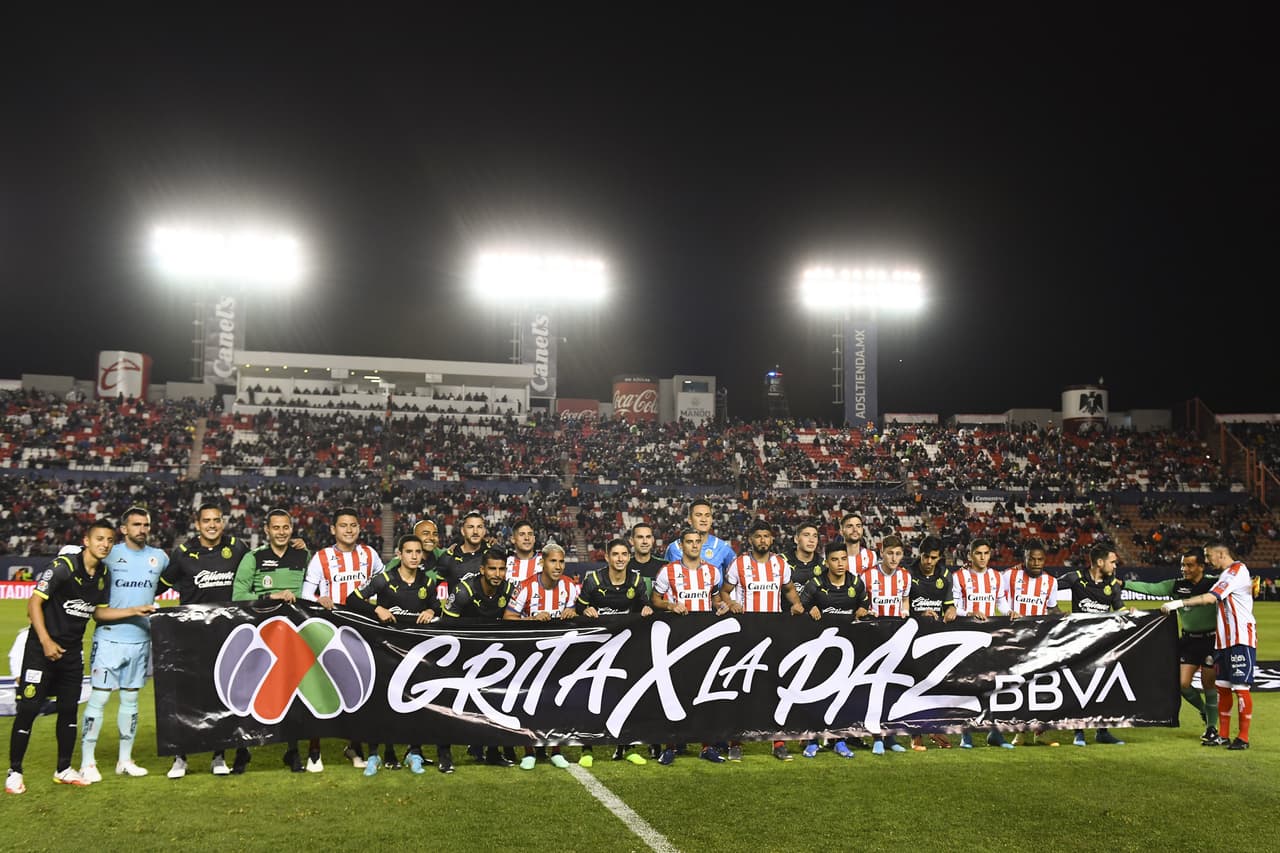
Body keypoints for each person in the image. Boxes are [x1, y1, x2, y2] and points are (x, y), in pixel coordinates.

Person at [6, 520, 155, 795]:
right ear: (86, 541)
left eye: (109, 540)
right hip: (41, 651)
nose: (105, 544)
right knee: (28, 709)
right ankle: (14, 772)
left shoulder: (103, 574)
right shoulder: (63, 566)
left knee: (68, 710)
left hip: (71, 653)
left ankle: (63, 769)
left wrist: (134, 610)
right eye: (99, 539)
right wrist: (46, 641)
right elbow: (33, 604)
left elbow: (98, 613)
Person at [159, 501, 252, 778]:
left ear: (222, 522)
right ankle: (180, 757)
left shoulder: (237, 548)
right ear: (197, 524)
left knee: (220, 696)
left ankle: (218, 756)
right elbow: (160, 585)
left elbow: (259, 569)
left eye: (216, 520)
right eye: (206, 521)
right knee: (187, 697)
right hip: (190, 635)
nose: (212, 525)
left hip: (226, 635)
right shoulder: (183, 553)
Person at [80, 506, 168, 782]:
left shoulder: (160, 557)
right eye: (136, 524)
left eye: (146, 524)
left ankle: (125, 760)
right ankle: (87, 762)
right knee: (99, 698)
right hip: (109, 639)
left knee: (130, 701)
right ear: (124, 528)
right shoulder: (108, 554)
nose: (142, 529)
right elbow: (95, 610)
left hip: (141, 641)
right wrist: (133, 610)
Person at [344, 535, 439, 774]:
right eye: (409, 552)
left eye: (418, 552)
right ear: (399, 554)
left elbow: (437, 607)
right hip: (385, 649)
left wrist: (430, 610)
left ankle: (414, 752)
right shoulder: (384, 579)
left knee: (415, 700)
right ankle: (376, 753)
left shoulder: (428, 583)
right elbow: (352, 599)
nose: (414, 556)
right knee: (381, 702)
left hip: (414, 651)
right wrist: (376, 608)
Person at [301, 506, 383, 772]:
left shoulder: (369, 554)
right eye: (343, 525)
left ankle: (354, 747)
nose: (349, 530)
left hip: (361, 630)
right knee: (322, 688)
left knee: (358, 688)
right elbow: (305, 594)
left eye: (353, 525)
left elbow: (383, 584)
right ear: (333, 529)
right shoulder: (321, 557)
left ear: (359, 528)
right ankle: (314, 750)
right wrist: (319, 599)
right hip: (329, 631)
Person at [231, 508, 311, 772]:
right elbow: (238, 595)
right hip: (259, 633)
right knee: (249, 691)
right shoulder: (253, 557)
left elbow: (314, 588)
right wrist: (269, 598)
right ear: (266, 530)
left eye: (286, 527)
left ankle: (292, 751)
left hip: (293, 633)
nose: (281, 532)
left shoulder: (303, 555)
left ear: (292, 529)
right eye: (276, 527)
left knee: (293, 691)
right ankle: (242, 751)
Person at [719, 519, 803, 761]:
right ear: (751, 540)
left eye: (766, 536)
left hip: (774, 634)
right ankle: (736, 742)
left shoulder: (780, 564)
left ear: (772, 539)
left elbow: (789, 589)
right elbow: (724, 591)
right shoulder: (739, 564)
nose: (763, 540)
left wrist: (797, 604)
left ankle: (778, 742)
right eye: (758, 536)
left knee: (776, 688)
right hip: (746, 634)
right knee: (741, 689)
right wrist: (731, 603)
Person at [1162, 540, 1258, 750]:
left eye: (1208, 555)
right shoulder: (1225, 575)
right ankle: (1222, 735)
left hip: (1240, 639)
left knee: (1241, 689)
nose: (1206, 560)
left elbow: (1210, 598)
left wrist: (1180, 603)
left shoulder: (1236, 571)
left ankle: (1243, 738)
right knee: (1222, 688)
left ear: (1221, 554)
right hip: (1223, 642)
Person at [651, 527, 730, 765]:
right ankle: (670, 746)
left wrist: (721, 606)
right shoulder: (668, 571)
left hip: (704, 639)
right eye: (689, 541)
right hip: (676, 640)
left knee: (705, 693)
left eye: (697, 542)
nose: (694, 545)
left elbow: (715, 599)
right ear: (682, 545)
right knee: (674, 693)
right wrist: (670, 606)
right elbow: (655, 600)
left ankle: (707, 746)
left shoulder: (712, 572)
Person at [1126, 548, 1219, 743]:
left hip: (1211, 640)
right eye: (1183, 565)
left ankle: (1212, 728)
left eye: (1189, 565)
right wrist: (1123, 583)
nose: (1184, 569)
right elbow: (1151, 588)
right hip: (1189, 640)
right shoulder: (1177, 585)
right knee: (1182, 684)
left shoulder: (1214, 583)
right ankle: (1204, 710)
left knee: (1208, 684)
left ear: (1201, 566)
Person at [576, 537, 653, 766]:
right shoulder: (593, 580)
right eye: (616, 554)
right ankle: (586, 749)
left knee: (625, 697)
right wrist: (585, 610)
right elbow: (579, 608)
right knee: (591, 697)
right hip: (596, 649)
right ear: (607, 557)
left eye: (624, 554)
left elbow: (644, 606)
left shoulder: (636, 581)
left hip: (625, 649)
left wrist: (647, 609)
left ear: (629, 557)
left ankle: (626, 748)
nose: (620, 559)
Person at [504, 543, 579, 769]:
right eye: (553, 561)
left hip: (559, 655)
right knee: (529, 702)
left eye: (561, 561)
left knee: (557, 701)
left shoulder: (569, 586)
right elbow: (508, 617)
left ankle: (556, 750)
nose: (558, 566)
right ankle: (530, 751)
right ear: (542, 563)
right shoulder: (525, 587)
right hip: (530, 656)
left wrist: (572, 612)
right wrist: (532, 619)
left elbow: (574, 614)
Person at [441, 547, 517, 770]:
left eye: (502, 569)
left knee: (494, 700)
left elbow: (517, 619)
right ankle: (445, 754)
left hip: (491, 655)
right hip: (460, 653)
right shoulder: (464, 590)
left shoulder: (509, 590)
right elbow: (446, 625)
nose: (497, 574)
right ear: (482, 569)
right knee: (450, 703)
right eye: (492, 569)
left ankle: (492, 751)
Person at [797, 540, 869, 759]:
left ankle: (840, 741)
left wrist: (863, 610)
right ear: (826, 562)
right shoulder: (815, 584)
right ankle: (812, 741)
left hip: (847, 651)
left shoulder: (856, 583)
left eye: (843, 559)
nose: (840, 564)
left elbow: (865, 604)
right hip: (819, 650)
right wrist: (809, 609)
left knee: (842, 697)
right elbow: (799, 608)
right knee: (815, 696)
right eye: (835, 560)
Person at [1059, 542, 1127, 747]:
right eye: (1112, 562)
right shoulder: (1075, 578)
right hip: (1078, 644)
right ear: (1099, 562)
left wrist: (1131, 614)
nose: (1115, 566)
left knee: (1103, 686)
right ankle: (1078, 732)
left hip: (1102, 644)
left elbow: (1120, 609)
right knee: (1079, 687)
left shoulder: (1113, 584)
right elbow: (1047, 588)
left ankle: (1102, 731)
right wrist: (1057, 612)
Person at [999, 539, 1060, 746]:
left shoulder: (1051, 582)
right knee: (1017, 686)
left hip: (1039, 642)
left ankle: (1040, 732)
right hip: (1014, 640)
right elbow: (996, 597)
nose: (1035, 563)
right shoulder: (1009, 576)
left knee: (1040, 686)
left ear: (1045, 560)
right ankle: (1020, 732)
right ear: (1024, 558)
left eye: (1039, 559)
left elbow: (1051, 608)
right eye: (1031, 559)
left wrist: (1063, 618)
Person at [859, 534, 914, 754]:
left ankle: (890, 737)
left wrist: (905, 611)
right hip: (873, 640)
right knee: (875, 688)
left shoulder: (905, 577)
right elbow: (860, 603)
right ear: (881, 552)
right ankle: (876, 737)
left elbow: (905, 600)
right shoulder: (867, 576)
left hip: (897, 640)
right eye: (890, 553)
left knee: (893, 689)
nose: (894, 558)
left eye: (898, 554)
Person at [907, 534, 955, 750]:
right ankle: (915, 734)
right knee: (913, 686)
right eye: (925, 556)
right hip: (912, 638)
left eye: (933, 558)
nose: (928, 562)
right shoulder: (908, 574)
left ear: (939, 557)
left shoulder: (945, 575)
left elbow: (948, 604)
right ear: (920, 554)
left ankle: (935, 728)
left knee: (936, 685)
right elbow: (901, 608)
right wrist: (919, 614)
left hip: (936, 640)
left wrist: (951, 609)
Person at [663, 499, 736, 572]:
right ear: (689, 520)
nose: (704, 520)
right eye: (698, 515)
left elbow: (736, 575)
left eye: (707, 515)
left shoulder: (723, 548)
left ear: (711, 520)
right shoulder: (674, 548)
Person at [438, 510, 488, 595]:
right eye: (470, 527)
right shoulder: (448, 557)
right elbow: (436, 590)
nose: (475, 531)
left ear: (484, 531)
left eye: (479, 527)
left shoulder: (493, 553)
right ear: (462, 531)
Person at [784, 520, 825, 591]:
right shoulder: (781, 562)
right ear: (796, 539)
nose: (811, 540)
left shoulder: (824, 565)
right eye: (806, 535)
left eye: (815, 536)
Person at [506, 519, 542, 586]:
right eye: (522, 534)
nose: (527, 538)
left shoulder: (546, 562)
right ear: (513, 539)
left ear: (534, 539)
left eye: (530, 534)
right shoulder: (505, 563)